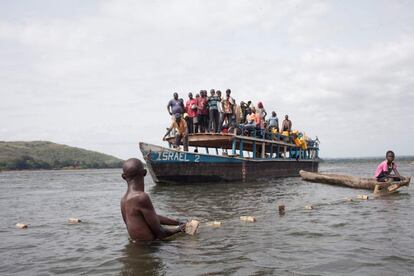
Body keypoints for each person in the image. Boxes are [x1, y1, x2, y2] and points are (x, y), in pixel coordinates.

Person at [121, 158, 186, 241]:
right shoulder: (141, 197)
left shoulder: (123, 200)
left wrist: (178, 223)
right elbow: (161, 234)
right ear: (144, 173)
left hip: (140, 247)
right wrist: (181, 229)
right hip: (150, 248)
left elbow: (152, 217)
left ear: (123, 176)